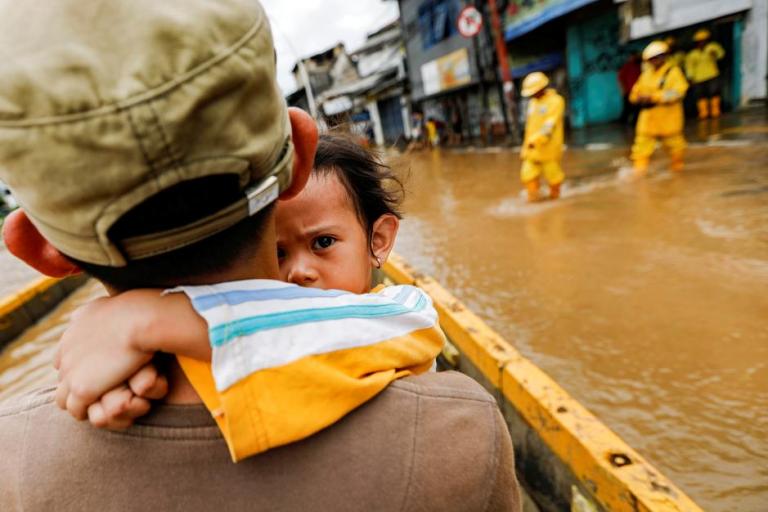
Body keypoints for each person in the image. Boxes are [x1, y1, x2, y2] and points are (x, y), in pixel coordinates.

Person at [0, 1, 522, 510]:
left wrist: (153, 319)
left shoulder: (14, 458)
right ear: (298, 159)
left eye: (323, 243)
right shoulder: (460, 432)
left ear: (40, 249)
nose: (301, 272)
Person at [53, 134, 442, 453]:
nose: (299, 271)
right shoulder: (258, 324)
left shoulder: (403, 311)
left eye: (323, 242)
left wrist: (143, 319)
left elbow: (315, 331)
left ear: (378, 239)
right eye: (277, 253)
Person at [629, 41, 689, 177]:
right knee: (640, 149)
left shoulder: (673, 72)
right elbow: (634, 92)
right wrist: (637, 98)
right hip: (648, 120)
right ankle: (639, 176)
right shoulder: (646, 74)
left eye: (659, 57)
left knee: (676, 147)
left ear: (664, 56)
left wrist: (655, 97)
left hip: (669, 120)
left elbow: (679, 92)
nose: (655, 60)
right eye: (652, 59)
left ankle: (677, 172)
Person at [520, 72, 566, 202]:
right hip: (532, 150)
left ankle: (555, 199)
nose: (532, 95)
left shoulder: (556, 101)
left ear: (542, 88)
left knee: (554, 177)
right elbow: (529, 128)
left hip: (549, 149)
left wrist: (537, 140)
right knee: (527, 175)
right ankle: (534, 201)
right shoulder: (532, 103)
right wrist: (525, 148)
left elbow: (549, 125)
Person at [685, 28, 726, 119]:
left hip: (712, 74)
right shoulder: (692, 54)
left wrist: (715, 54)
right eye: (700, 41)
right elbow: (689, 67)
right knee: (700, 95)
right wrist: (690, 78)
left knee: (714, 93)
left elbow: (721, 56)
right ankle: (703, 113)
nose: (702, 43)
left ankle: (716, 112)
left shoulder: (713, 47)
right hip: (698, 78)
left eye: (704, 41)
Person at [618, 53, 642, 124]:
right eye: (632, 56)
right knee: (627, 107)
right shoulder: (627, 66)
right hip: (628, 90)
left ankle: (634, 121)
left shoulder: (638, 66)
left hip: (637, 91)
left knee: (636, 108)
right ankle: (623, 121)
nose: (634, 58)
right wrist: (623, 89)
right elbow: (620, 78)